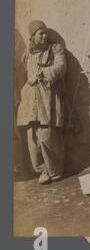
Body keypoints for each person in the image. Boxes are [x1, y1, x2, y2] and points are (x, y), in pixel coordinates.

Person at [16, 20, 67, 184]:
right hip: (30, 98)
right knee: (33, 136)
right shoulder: (28, 54)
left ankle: (54, 169)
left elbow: (61, 67)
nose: (45, 36)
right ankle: (41, 170)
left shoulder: (55, 48)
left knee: (47, 134)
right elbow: (23, 74)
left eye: (46, 32)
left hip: (48, 97)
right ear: (33, 36)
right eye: (41, 34)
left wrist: (42, 74)